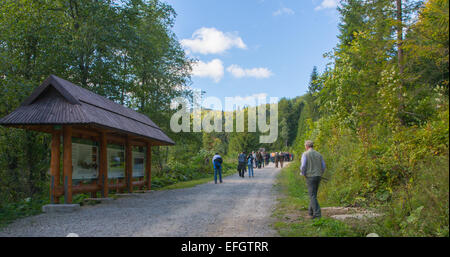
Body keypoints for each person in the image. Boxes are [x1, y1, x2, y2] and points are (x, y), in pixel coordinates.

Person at [300, 140, 326, 219]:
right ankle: (310, 212)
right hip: (318, 176)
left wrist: (303, 173)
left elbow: (303, 165)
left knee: (312, 195)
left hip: (310, 176)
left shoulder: (305, 154)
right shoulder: (319, 154)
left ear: (306, 146)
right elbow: (323, 166)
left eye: (305, 146)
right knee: (314, 195)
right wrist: (320, 173)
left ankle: (317, 214)